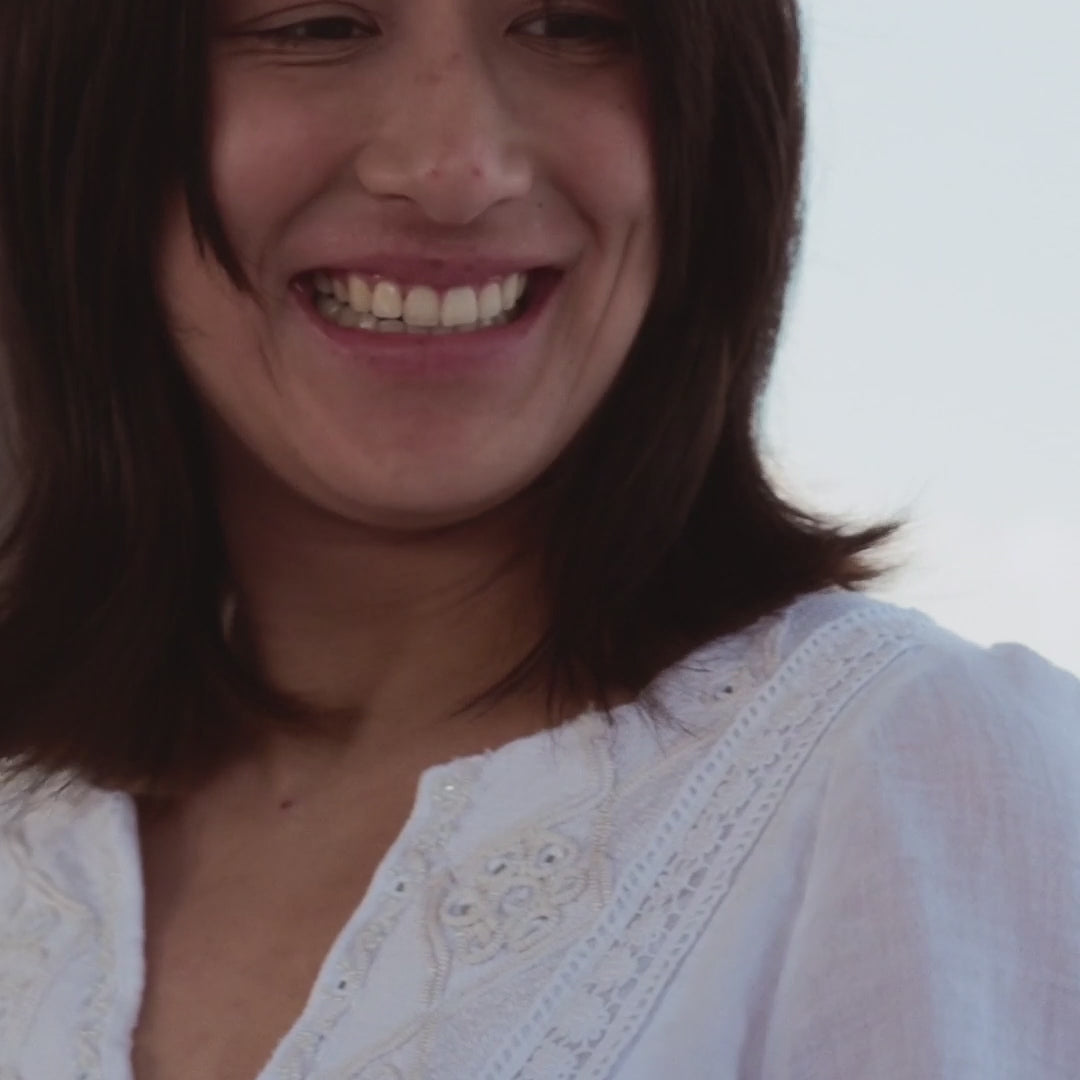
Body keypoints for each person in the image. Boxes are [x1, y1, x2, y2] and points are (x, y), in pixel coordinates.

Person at [0, 0, 1077, 1077]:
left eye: (573, 24)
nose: (454, 168)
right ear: (90, 114)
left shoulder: (917, 780)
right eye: (316, 25)